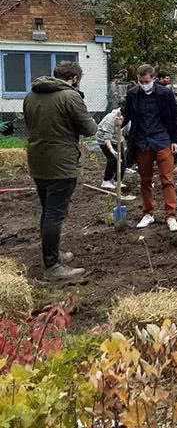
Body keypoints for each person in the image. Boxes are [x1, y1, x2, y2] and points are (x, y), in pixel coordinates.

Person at [24, 60, 97, 282]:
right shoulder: (70, 96)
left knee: (48, 211)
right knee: (55, 214)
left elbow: (30, 124)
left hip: (37, 159)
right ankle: (53, 266)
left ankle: (53, 255)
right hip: (61, 163)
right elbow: (89, 128)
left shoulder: (31, 95)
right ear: (74, 78)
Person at [120, 64, 177, 232]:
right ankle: (148, 213)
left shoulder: (165, 93)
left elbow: (175, 117)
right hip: (142, 142)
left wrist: (176, 140)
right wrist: (120, 121)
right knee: (145, 180)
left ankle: (171, 216)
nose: (143, 84)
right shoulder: (133, 95)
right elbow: (127, 115)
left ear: (153, 79)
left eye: (146, 81)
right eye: (140, 81)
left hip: (162, 139)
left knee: (167, 180)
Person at [96, 106, 129, 190]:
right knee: (113, 159)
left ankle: (117, 181)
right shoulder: (111, 119)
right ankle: (106, 181)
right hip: (104, 139)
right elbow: (106, 139)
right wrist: (111, 150)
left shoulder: (127, 116)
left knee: (122, 160)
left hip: (117, 139)